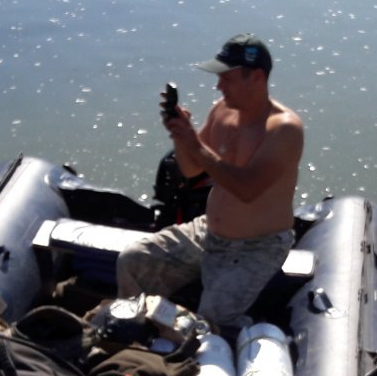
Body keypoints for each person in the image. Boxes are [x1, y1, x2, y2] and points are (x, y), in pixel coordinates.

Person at [116, 33, 303, 330]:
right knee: (132, 260)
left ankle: (250, 333)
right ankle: (133, 331)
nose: (219, 86)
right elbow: (192, 170)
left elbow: (246, 189)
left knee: (212, 321)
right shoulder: (222, 111)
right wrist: (181, 135)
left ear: (256, 77)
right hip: (207, 231)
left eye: (227, 78)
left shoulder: (283, 129)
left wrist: (194, 143)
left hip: (256, 247)